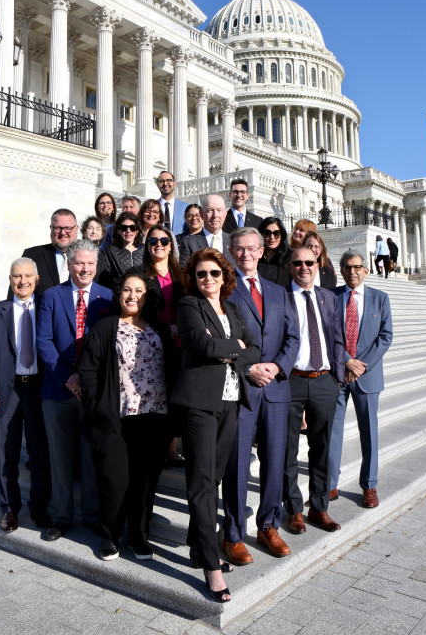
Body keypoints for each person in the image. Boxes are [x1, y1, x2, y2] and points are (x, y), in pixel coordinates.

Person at [171, 247, 260, 602]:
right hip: (199, 405)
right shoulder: (189, 306)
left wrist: (230, 347)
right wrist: (232, 346)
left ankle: (197, 544)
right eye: (201, 274)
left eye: (214, 273)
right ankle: (210, 562)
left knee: (216, 477)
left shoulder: (234, 309)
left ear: (225, 277)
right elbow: (201, 346)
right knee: (202, 483)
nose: (208, 279)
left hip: (230, 402)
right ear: (193, 279)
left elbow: (254, 349)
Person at [79, 269, 174, 561]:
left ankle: (139, 537)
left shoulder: (159, 329)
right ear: (119, 294)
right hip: (117, 418)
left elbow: (171, 369)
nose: (132, 296)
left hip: (154, 418)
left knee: (145, 483)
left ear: (147, 297)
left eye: (139, 291)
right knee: (115, 480)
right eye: (127, 290)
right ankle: (110, 537)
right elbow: (89, 370)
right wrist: (97, 406)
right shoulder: (106, 327)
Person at [221, 228, 299, 565]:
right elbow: (221, 339)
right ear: (231, 251)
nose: (246, 255)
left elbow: (293, 338)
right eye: (239, 249)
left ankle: (268, 525)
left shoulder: (279, 291)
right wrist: (249, 367)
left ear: (261, 250)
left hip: (277, 388)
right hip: (242, 388)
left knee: (274, 459)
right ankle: (234, 534)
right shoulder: (223, 290)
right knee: (237, 463)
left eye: (252, 248)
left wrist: (277, 367)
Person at [37, 239, 113, 541]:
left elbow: (108, 344)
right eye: (79, 263)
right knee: (60, 457)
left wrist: (87, 380)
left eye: (90, 264)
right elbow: (44, 341)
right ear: (69, 264)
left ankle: (93, 515)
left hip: (93, 393)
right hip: (57, 391)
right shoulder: (52, 296)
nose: (84, 268)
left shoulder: (107, 298)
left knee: (90, 457)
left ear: (96, 266)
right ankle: (61, 516)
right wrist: (67, 377)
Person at [0, 258, 51, 533]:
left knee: (40, 453)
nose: (23, 281)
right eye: (17, 276)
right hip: (5, 393)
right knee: (5, 453)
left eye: (27, 276)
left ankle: (40, 508)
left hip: (38, 391)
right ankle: (9, 510)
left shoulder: (47, 307)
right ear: (10, 280)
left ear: (36, 278)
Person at [283, 246, 344, 534]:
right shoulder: (280, 297)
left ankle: (319, 508)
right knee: (288, 449)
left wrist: (337, 378)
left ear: (318, 264)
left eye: (309, 262)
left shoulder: (329, 297)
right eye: (298, 263)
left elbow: (338, 338)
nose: (304, 267)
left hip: (324, 380)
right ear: (290, 266)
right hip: (291, 380)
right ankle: (293, 509)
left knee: (322, 447)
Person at [329, 252, 393, 508]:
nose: (352, 271)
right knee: (333, 432)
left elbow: (385, 336)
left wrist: (360, 367)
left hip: (367, 375)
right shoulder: (332, 297)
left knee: (369, 432)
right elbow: (327, 333)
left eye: (357, 267)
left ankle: (369, 485)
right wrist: (346, 360)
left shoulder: (380, 298)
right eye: (347, 267)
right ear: (341, 272)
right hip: (338, 375)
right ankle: (330, 483)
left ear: (366, 270)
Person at [141, 224, 185, 465]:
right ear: (147, 246)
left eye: (164, 241)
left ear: (171, 246)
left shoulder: (181, 275)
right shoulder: (140, 275)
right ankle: (157, 449)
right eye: (153, 241)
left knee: (176, 400)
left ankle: (171, 448)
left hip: (179, 348)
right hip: (152, 348)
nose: (158, 244)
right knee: (155, 400)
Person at [19, 208, 79, 297]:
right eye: (58, 228)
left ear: (76, 228)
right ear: (51, 228)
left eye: (68, 228)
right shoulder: (32, 255)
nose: (63, 233)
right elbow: (17, 292)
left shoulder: (92, 257)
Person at [179, 194, 234, 267]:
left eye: (219, 210)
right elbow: (185, 274)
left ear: (225, 214)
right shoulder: (188, 243)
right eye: (210, 210)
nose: (215, 215)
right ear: (201, 214)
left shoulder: (234, 241)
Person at [97, 212, 144, 290]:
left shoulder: (145, 249)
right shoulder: (110, 250)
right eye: (124, 228)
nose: (128, 231)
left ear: (137, 230)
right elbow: (106, 277)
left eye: (132, 227)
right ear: (118, 230)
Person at [257, 216, 292, 287]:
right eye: (267, 233)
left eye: (276, 233)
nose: (272, 237)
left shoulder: (290, 258)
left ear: (282, 235)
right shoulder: (255, 256)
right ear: (261, 234)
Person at [157, 170, 188, 235]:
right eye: (161, 181)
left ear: (174, 184)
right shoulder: (153, 207)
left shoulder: (185, 208)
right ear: (158, 185)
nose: (165, 183)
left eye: (168, 180)